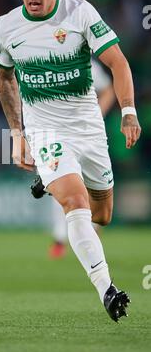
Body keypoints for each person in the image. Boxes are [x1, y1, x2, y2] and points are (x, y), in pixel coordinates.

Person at [0, 0, 141, 322]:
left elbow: (118, 62)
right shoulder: (5, 28)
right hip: (45, 131)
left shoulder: (80, 13)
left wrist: (128, 111)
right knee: (74, 203)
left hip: (89, 130)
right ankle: (106, 288)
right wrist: (17, 133)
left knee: (101, 214)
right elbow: (5, 78)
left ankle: (51, 176)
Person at [46, 58, 116, 258]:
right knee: (59, 185)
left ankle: (92, 232)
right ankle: (59, 238)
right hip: (58, 135)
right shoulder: (44, 60)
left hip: (88, 136)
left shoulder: (87, 63)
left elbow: (108, 90)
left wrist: (96, 115)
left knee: (91, 188)